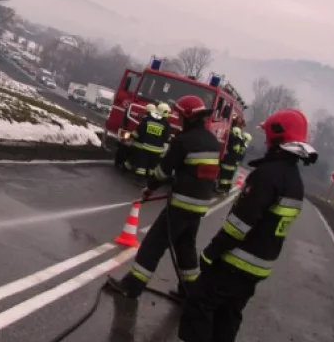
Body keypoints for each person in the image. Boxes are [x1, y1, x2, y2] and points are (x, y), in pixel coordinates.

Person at [156, 109, 318, 342]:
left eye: (268, 134)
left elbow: (240, 224)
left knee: (200, 306)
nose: (265, 140)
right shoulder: (295, 181)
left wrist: (211, 253)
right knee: (228, 316)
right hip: (257, 267)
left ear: (276, 136)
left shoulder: (267, 175)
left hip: (235, 261)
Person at [105, 94, 221, 300]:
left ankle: (132, 286)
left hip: (181, 205)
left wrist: (149, 188)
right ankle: (190, 292)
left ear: (187, 117)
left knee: (153, 244)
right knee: (186, 248)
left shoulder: (183, 141)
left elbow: (163, 172)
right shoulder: (213, 142)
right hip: (200, 206)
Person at [125, 104, 171, 180]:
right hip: (157, 150)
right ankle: (149, 178)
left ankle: (139, 177)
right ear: (164, 112)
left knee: (142, 163)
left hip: (146, 147)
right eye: (167, 112)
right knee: (152, 165)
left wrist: (132, 136)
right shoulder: (165, 123)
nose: (168, 114)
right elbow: (166, 137)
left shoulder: (148, 119)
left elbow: (140, 131)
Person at [216, 122, 247, 193]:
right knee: (229, 177)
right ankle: (227, 188)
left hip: (228, 161)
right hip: (233, 163)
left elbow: (230, 148)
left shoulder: (234, 140)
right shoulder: (242, 142)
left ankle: (222, 188)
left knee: (224, 176)